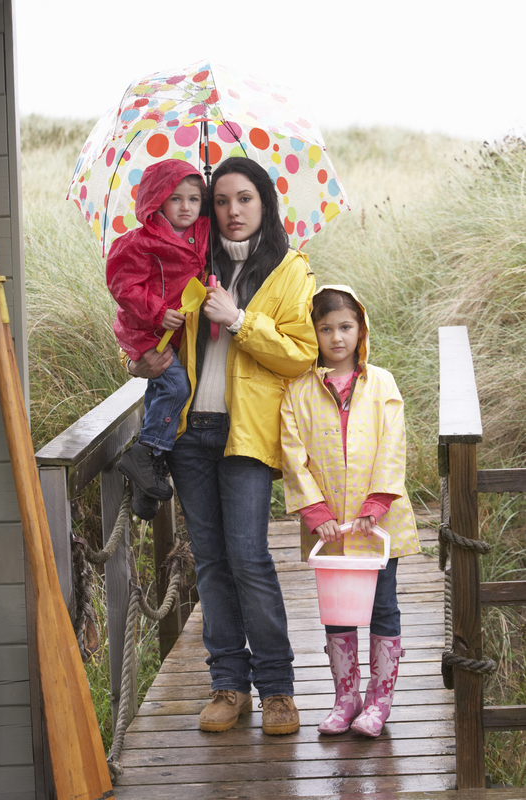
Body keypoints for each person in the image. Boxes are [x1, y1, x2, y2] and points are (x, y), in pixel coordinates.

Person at [127, 157, 318, 735]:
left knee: (249, 558)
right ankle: (227, 684)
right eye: (221, 201)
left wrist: (238, 319)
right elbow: (149, 332)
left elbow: (300, 354)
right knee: (210, 561)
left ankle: (278, 690)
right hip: (190, 433)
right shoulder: (188, 261)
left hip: (246, 433)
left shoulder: (289, 270)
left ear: (264, 204)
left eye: (245, 200)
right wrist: (143, 359)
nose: (232, 212)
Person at [280, 285, 420, 737]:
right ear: (313, 333)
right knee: (337, 609)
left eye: (345, 327)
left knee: (382, 606)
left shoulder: (381, 384)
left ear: (361, 329)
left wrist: (377, 503)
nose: (336, 337)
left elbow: (393, 444)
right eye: (325, 328)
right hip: (332, 528)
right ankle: (345, 697)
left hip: (378, 524)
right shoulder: (298, 391)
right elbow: (292, 453)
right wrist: (315, 511)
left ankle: (380, 701)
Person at [106, 160, 210, 519]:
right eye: (175, 198)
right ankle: (144, 453)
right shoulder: (139, 243)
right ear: (156, 202)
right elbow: (123, 285)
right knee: (176, 387)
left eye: (195, 199)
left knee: (161, 395)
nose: (186, 207)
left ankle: (146, 486)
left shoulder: (201, 234)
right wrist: (155, 311)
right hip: (147, 329)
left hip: (173, 331)